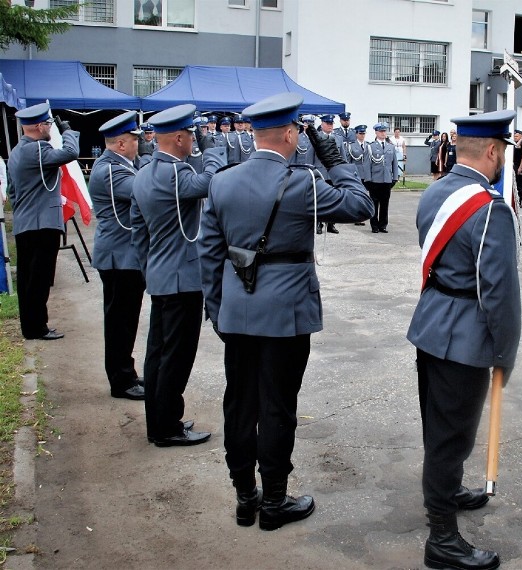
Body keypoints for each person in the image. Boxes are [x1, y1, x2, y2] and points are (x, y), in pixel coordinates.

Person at [199, 92, 373, 531]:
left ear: (256, 136)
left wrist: (218, 311)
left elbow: (209, 254)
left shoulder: (221, 181)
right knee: (277, 405)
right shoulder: (304, 182)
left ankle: (245, 498)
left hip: (237, 311)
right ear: (292, 134)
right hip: (286, 312)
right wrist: (335, 158)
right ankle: (274, 502)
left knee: (239, 404)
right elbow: (360, 205)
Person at [407, 109, 522, 570]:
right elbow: (500, 294)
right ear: (492, 151)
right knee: (450, 439)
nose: (501, 163)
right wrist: (505, 352)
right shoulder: (489, 209)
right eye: (502, 155)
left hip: (431, 324)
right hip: (465, 337)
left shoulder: (434, 191)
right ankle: (442, 538)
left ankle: (448, 490)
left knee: (439, 427)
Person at [130, 104, 227, 447]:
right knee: (176, 357)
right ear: (178, 137)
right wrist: (212, 149)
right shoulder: (177, 175)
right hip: (183, 279)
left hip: (161, 275)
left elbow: (138, 233)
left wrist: (150, 268)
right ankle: (168, 427)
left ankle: (159, 423)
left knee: (157, 353)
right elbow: (213, 180)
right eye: (190, 135)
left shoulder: (142, 174)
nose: (192, 142)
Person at [7, 102, 80, 340]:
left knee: (29, 280)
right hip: (41, 225)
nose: (50, 128)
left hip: (26, 223)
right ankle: (37, 327)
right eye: (48, 124)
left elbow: (12, 192)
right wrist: (68, 131)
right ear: (39, 126)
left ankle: (32, 327)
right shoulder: (37, 149)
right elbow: (71, 153)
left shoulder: (17, 151)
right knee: (39, 279)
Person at [88, 111, 147, 401]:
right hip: (119, 257)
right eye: (135, 140)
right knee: (120, 323)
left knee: (125, 321)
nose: (140, 144)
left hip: (123, 255)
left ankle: (127, 373)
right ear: (122, 144)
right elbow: (145, 192)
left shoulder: (119, 164)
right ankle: (122, 381)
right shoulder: (111, 171)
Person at [365, 122, 398, 233]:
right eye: (381, 131)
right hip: (375, 179)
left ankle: (383, 225)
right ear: (376, 132)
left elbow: (394, 163)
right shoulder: (370, 147)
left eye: (384, 131)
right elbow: (367, 164)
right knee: (374, 203)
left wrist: (395, 177)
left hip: (387, 179)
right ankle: (374, 225)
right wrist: (368, 179)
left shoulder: (390, 146)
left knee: (385, 204)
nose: (383, 133)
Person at [511, 129, 522, 205]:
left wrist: (520, 167)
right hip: (513, 165)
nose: (515, 137)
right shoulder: (513, 143)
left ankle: (519, 200)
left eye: (516, 136)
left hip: (519, 165)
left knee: (519, 184)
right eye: (514, 136)